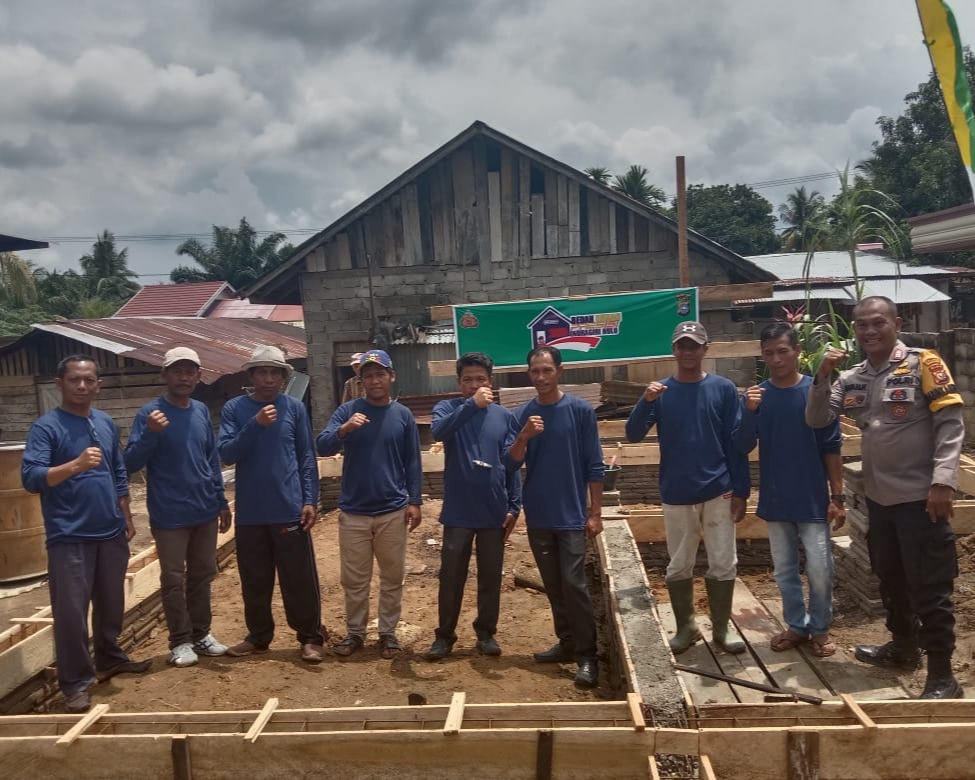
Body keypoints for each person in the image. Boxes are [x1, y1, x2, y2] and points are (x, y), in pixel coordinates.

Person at [806, 296, 965, 699]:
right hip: (880, 501)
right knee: (891, 579)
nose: (869, 331)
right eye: (861, 325)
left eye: (878, 323)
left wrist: (944, 481)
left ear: (896, 322)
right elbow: (817, 418)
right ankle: (903, 647)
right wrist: (822, 374)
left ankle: (943, 674)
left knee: (930, 586)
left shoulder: (923, 363)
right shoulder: (854, 376)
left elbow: (949, 424)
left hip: (921, 499)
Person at [21, 355, 151, 713]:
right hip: (69, 535)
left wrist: (125, 513)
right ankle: (76, 683)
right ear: (59, 383)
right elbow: (31, 479)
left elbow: (118, 471)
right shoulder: (46, 428)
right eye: (75, 380)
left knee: (111, 603)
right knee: (71, 614)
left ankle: (109, 658)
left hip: (109, 530)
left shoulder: (104, 423)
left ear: (98, 385)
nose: (82, 386)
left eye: (89, 380)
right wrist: (75, 465)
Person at [625, 321, 750, 655]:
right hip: (677, 489)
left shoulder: (723, 389)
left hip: (718, 488)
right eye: (682, 345)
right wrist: (645, 400)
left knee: (723, 560)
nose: (688, 351)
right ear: (674, 350)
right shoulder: (661, 392)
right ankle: (687, 627)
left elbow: (735, 444)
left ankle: (721, 630)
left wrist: (741, 490)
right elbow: (633, 434)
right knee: (679, 563)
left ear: (705, 350)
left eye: (694, 345)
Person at [735, 323, 846, 658]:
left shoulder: (815, 391)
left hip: (812, 499)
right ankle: (797, 626)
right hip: (776, 498)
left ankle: (821, 629)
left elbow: (832, 445)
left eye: (783, 351)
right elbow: (741, 445)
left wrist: (837, 497)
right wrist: (748, 411)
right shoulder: (758, 396)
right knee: (784, 570)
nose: (776, 358)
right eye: (768, 353)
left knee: (820, 568)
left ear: (797, 351)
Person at [124, 347, 232, 668]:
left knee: (202, 574)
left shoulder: (199, 410)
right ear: (165, 375)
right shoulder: (150, 414)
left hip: (203, 510)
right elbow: (130, 462)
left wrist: (221, 500)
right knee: (173, 577)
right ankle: (180, 641)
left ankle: (201, 633)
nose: (184, 377)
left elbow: (211, 460)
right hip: (170, 513)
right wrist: (150, 435)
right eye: (177, 371)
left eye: (190, 371)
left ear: (199, 376)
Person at [218, 345, 324, 663]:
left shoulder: (293, 408)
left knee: (299, 579)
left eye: (274, 372)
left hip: (289, 509)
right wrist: (256, 425)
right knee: (255, 579)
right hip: (251, 512)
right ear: (251, 376)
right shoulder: (234, 409)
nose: (268, 378)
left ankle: (310, 637)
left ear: (282, 377)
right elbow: (226, 454)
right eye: (261, 372)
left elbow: (306, 456)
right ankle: (259, 636)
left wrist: (310, 499)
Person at [506, 345, 604, 688]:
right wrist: (524, 436)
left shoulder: (579, 411)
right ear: (529, 374)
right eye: (535, 371)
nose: (541, 377)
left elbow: (595, 464)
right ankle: (566, 643)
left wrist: (595, 512)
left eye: (547, 370)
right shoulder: (523, 415)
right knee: (553, 585)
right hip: (540, 514)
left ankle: (588, 656)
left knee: (574, 585)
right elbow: (510, 462)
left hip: (573, 516)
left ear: (559, 372)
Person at [317, 349, 422, 660]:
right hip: (355, 512)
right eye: (368, 375)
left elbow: (413, 462)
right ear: (360, 380)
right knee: (355, 579)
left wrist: (415, 501)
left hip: (392, 510)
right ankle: (355, 633)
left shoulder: (402, 415)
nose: (374, 380)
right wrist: (345, 429)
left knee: (392, 576)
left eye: (380, 374)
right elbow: (322, 445)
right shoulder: (347, 410)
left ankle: (388, 633)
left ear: (391, 376)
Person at [424, 352, 522, 660]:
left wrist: (514, 505)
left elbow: (511, 463)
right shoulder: (448, 408)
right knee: (451, 575)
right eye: (468, 380)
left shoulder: (504, 417)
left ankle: (485, 632)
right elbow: (438, 432)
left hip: (493, 510)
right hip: (458, 511)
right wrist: (471, 405)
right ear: (459, 383)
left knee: (490, 575)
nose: (474, 385)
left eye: (480, 379)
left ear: (491, 382)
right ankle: (444, 636)